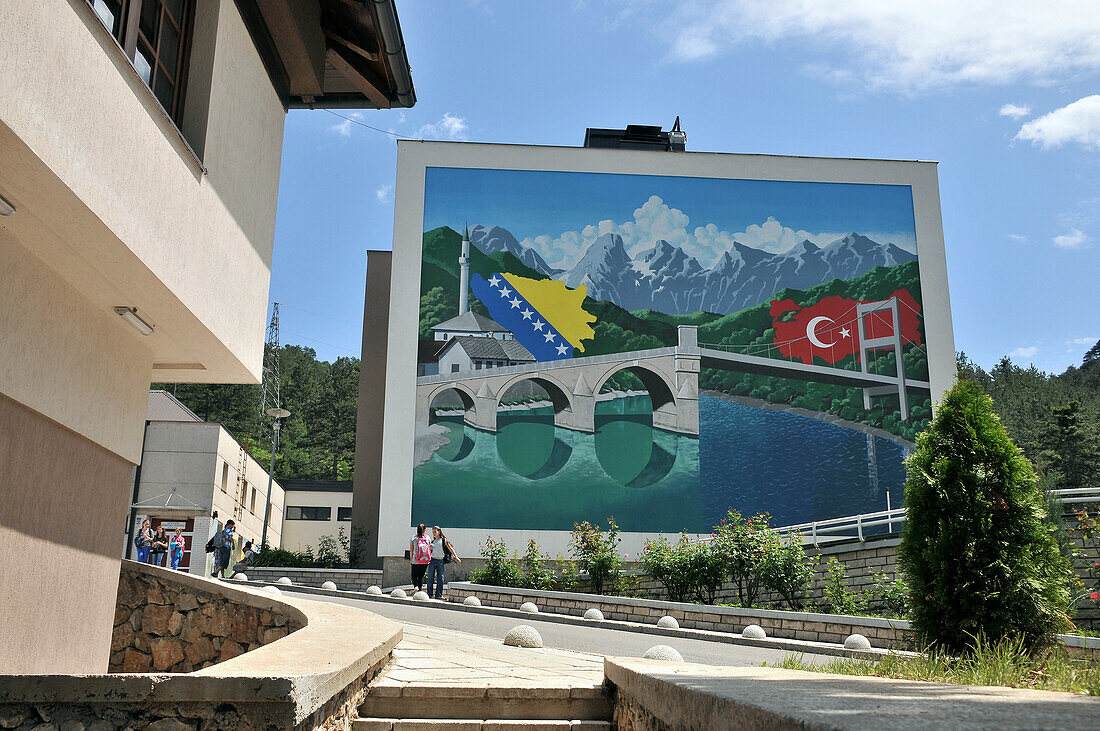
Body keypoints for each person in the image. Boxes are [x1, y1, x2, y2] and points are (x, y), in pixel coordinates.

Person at [426, 526, 460, 600]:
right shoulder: (432, 542)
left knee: (440, 578)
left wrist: (456, 557)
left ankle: (438, 595)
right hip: (432, 560)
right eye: (433, 532)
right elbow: (429, 552)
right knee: (430, 577)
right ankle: (429, 594)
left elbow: (451, 549)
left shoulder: (444, 540)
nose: (434, 534)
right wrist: (429, 547)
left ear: (439, 532)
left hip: (440, 561)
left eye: (435, 532)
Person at [409, 524, 431, 592]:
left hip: (416, 559)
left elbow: (411, 550)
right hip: (425, 560)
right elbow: (430, 548)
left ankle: (415, 586)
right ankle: (420, 590)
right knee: (421, 576)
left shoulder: (414, 538)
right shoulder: (427, 538)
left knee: (414, 575)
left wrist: (411, 558)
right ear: (425, 530)